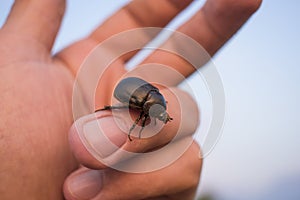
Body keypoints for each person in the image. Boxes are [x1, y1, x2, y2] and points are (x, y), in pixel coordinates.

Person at [0, 0, 261, 199]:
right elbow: (134, 111)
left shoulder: (156, 101)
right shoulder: (144, 104)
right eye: (159, 114)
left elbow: (156, 110)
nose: (159, 117)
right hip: (127, 94)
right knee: (124, 115)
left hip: (135, 94)